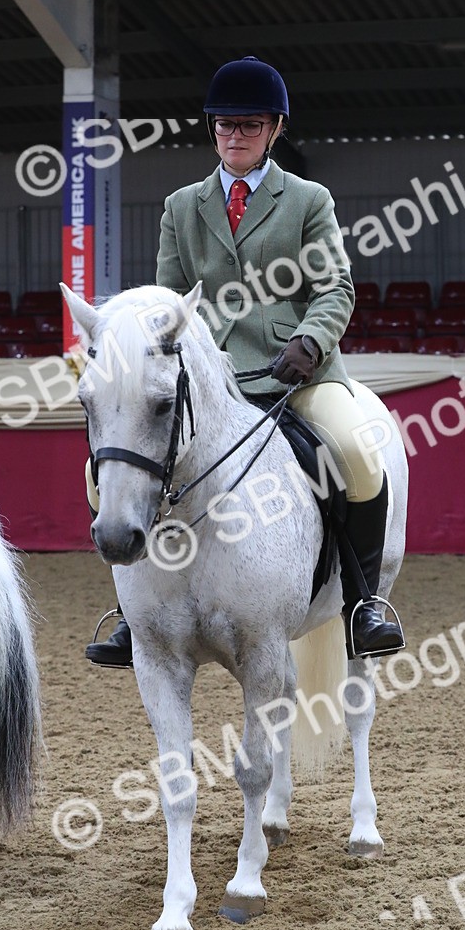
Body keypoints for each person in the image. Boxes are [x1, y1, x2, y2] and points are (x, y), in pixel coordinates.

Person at [86, 56, 405, 667]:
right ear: (213, 129)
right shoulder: (182, 207)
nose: (235, 136)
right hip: (209, 382)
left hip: (296, 371)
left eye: (250, 125)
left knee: (359, 455)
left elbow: (336, 287)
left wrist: (310, 343)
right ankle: (133, 610)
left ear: (275, 129)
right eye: (225, 125)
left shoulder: (308, 200)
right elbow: (167, 307)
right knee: (113, 462)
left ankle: (363, 603)